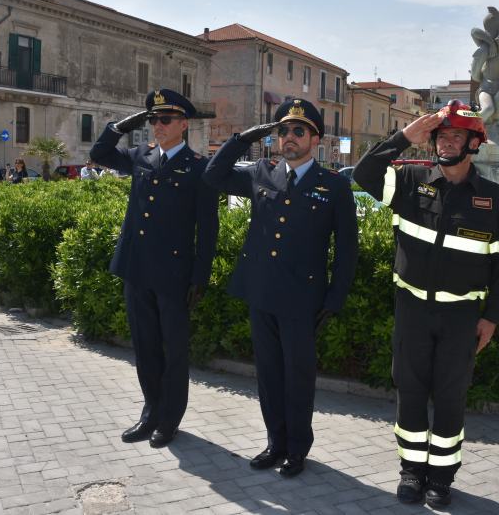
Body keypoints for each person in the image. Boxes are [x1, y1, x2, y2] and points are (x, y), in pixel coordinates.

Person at [353, 100, 499, 508]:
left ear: (473, 143)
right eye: (441, 136)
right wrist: (403, 138)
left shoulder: (494, 199)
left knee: (449, 398)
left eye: (455, 136)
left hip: (461, 317)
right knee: (409, 393)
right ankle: (411, 472)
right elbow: (363, 173)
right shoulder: (409, 181)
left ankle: (441, 479)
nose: (446, 143)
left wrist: (491, 319)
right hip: (412, 311)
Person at [202, 98, 359, 478]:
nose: (289, 137)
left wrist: (334, 299)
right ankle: (275, 443)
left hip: (303, 299)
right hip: (262, 292)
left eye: (298, 131)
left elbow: (347, 250)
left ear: (315, 139)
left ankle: (297, 449)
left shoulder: (333, 186)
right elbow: (213, 175)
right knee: (269, 374)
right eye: (283, 130)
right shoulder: (261, 173)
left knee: (298, 376)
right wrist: (243, 138)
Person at [90, 88, 219, 448]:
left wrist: (200, 276)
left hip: (174, 273)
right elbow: (98, 153)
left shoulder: (199, 167)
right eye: (152, 120)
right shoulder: (140, 156)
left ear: (183, 124)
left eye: (164, 120)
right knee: (145, 347)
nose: (157, 126)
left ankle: (169, 419)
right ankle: (150, 412)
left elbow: (208, 229)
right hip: (138, 268)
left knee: (174, 350)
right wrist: (119, 127)